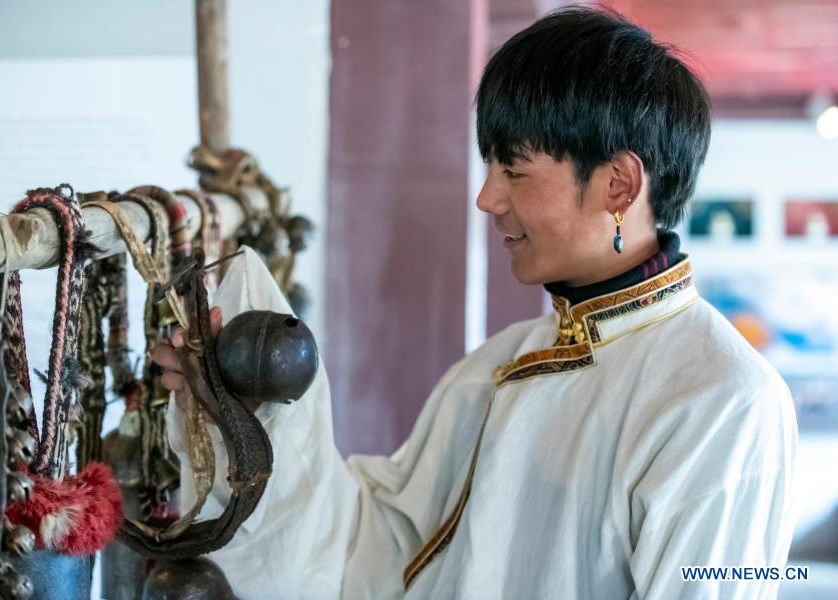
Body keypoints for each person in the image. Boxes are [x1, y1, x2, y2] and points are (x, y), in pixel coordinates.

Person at [153, 7, 797, 599]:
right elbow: (369, 553)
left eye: (514, 170)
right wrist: (247, 420)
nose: (488, 198)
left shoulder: (725, 400)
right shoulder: (498, 364)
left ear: (619, 184)